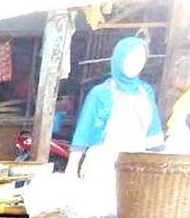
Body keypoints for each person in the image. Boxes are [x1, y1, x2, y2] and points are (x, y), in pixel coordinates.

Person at [67, 37, 163, 186]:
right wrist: (71, 169)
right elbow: (84, 131)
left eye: (141, 58)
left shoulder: (146, 92)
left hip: (136, 165)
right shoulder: (100, 93)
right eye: (131, 57)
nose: (136, 63)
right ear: (119, 58)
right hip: (102, 165)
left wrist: (160, 165)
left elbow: (153, 131)